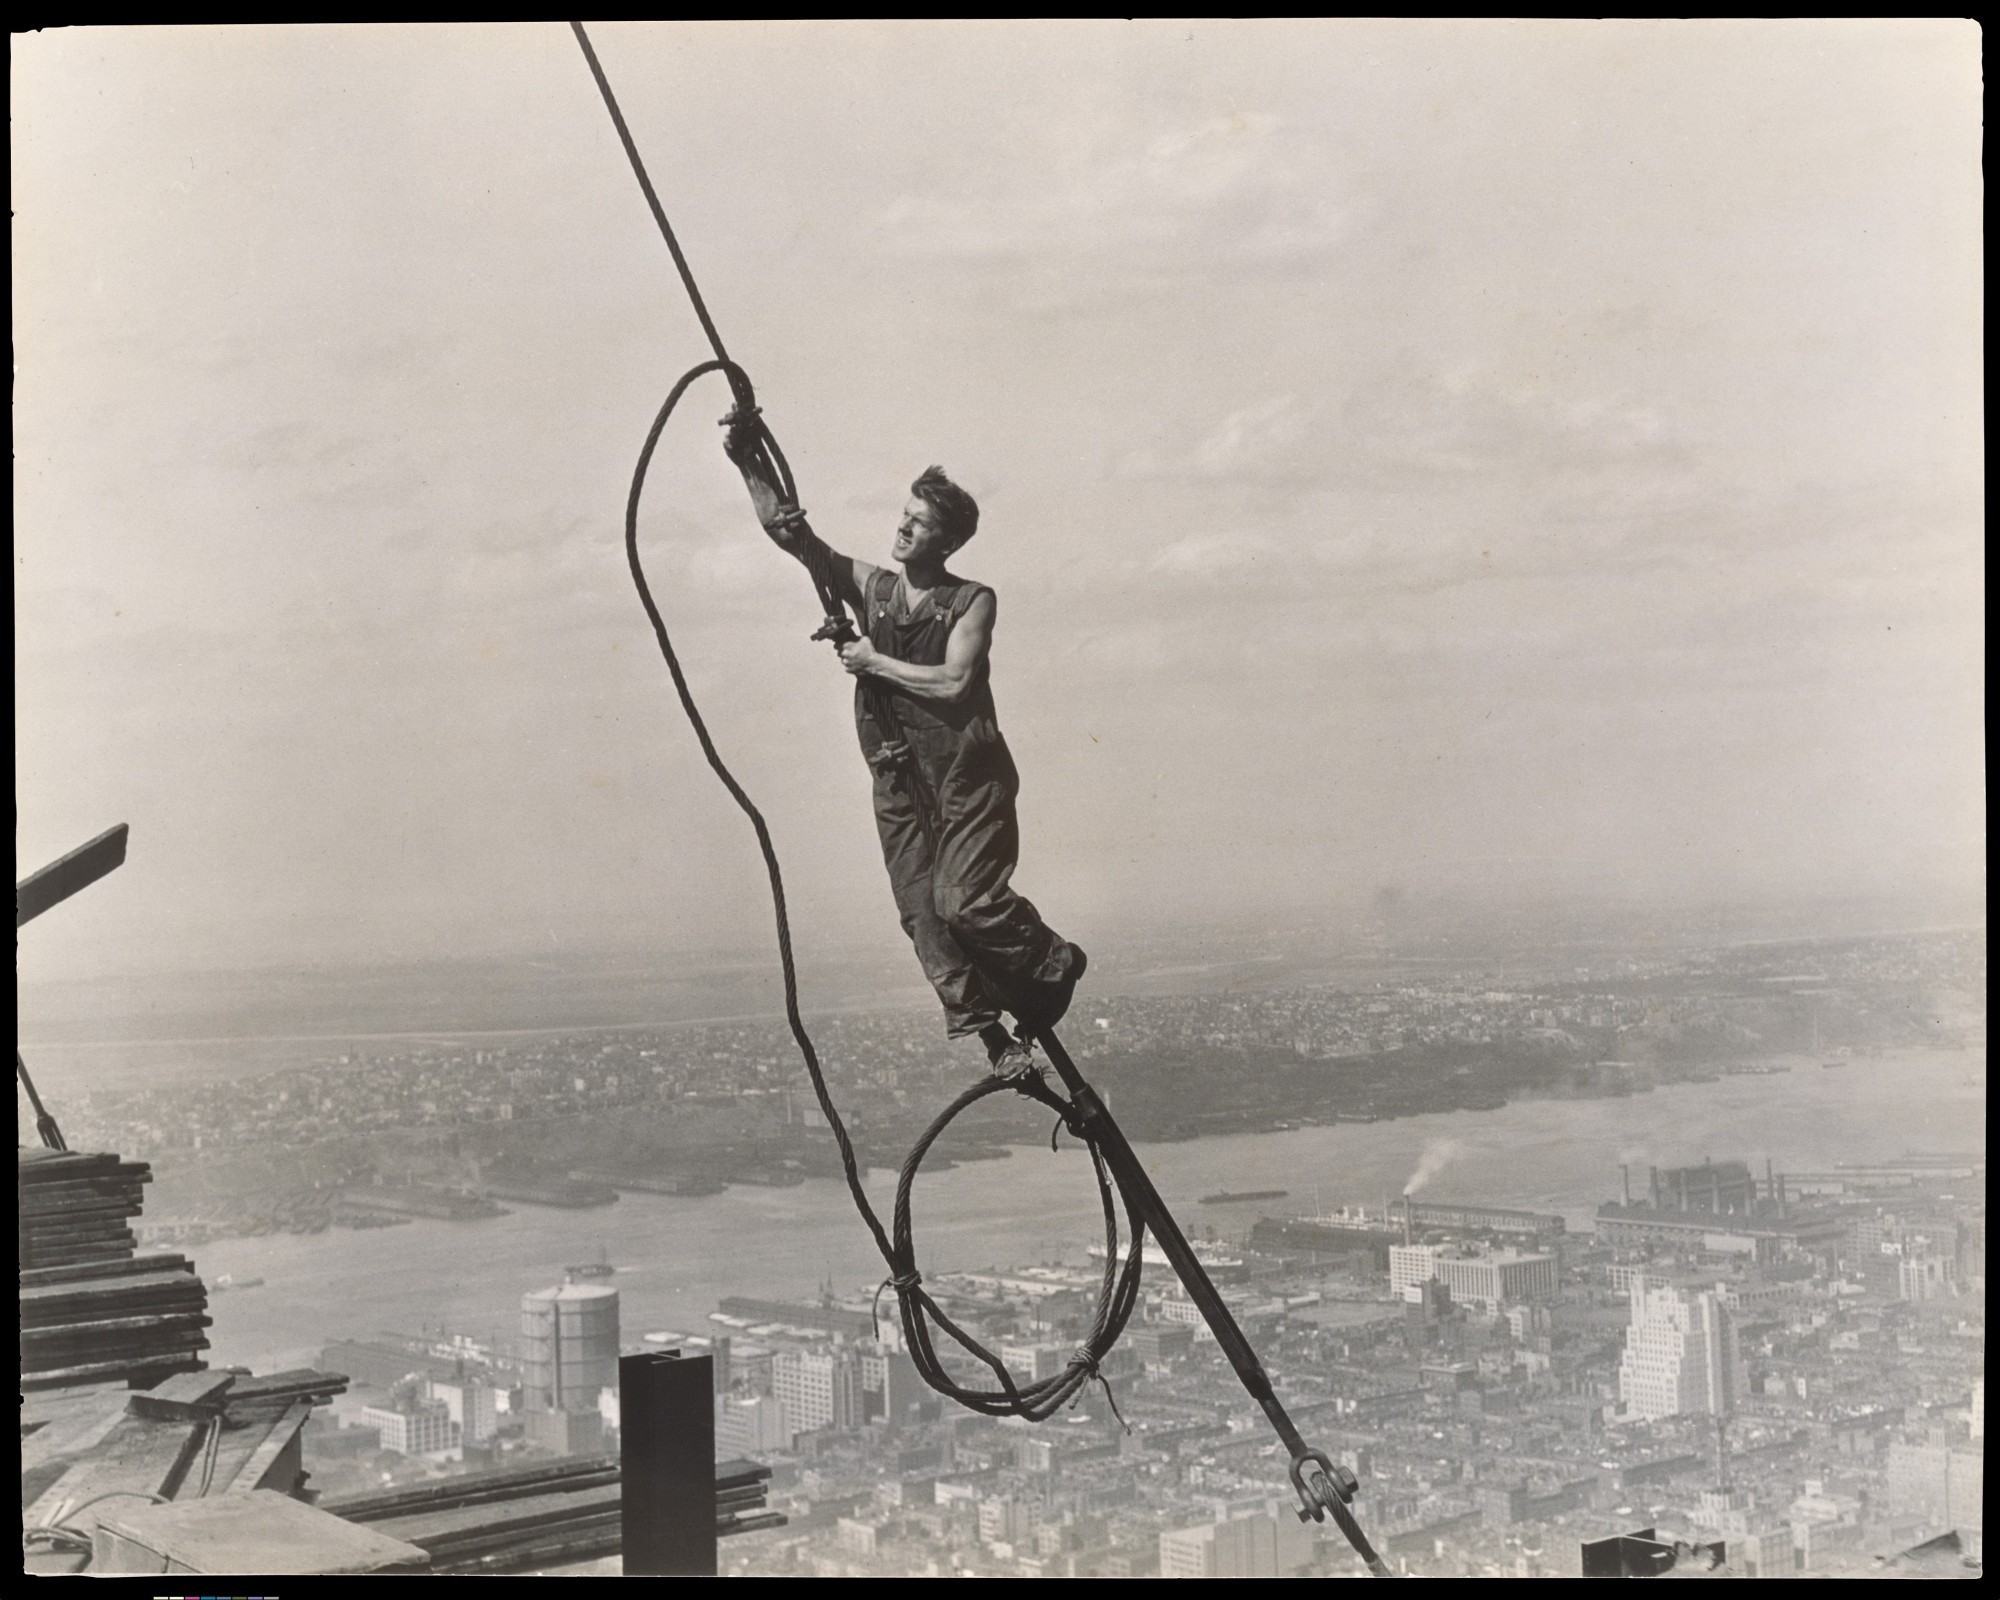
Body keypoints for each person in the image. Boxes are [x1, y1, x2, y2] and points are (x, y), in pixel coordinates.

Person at [725, 424, 1085, 1073]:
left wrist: (872, 661)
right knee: (923, 914)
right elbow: (796, 540)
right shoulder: (878, 592)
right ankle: (995, 1043)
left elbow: (955, 682)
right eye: (904, 517)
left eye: (919, 524)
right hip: (897, 773)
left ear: (946, 540)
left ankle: (1053, 962)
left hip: (965, 779)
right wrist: (749, 461)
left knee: (966, 904)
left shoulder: (970, 601)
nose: (903, 531)